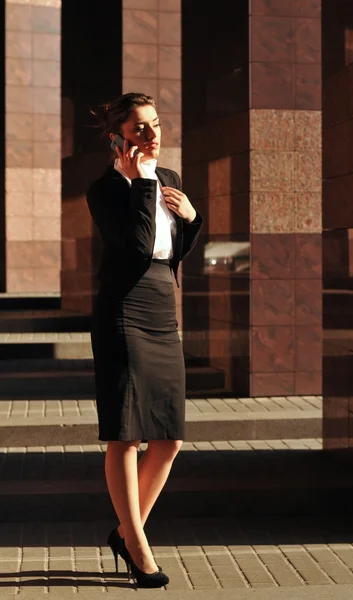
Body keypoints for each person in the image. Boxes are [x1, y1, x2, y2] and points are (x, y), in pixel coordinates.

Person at [86, 92, 203, 588]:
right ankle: (137, 546)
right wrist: (138, 185)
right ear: (118, 138)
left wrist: (193, 218)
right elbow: (135, 249)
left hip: (160, 305)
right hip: (122, 310)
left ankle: (123, 532)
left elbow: (172, 251)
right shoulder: (106, 190)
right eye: (139, 128)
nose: (152, 135)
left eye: (155, 124)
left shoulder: (171, 180)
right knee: (126, 433)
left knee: (169, 437)